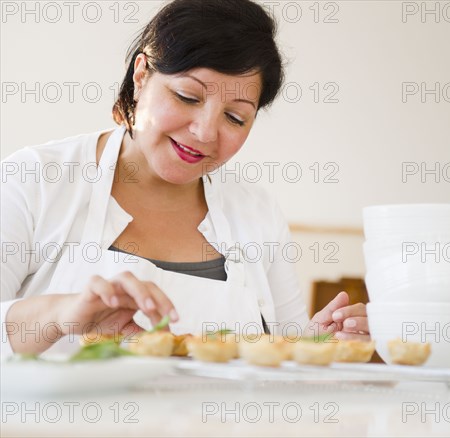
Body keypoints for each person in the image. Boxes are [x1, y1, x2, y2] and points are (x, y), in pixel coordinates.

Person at [0, 0, 369, 357]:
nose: (205, 132)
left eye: (235, 118)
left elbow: (284, 351)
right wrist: (58, 316)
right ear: (141, 75)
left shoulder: (255, 210)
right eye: (187, 96)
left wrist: (319, 346)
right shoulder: (36, 179)